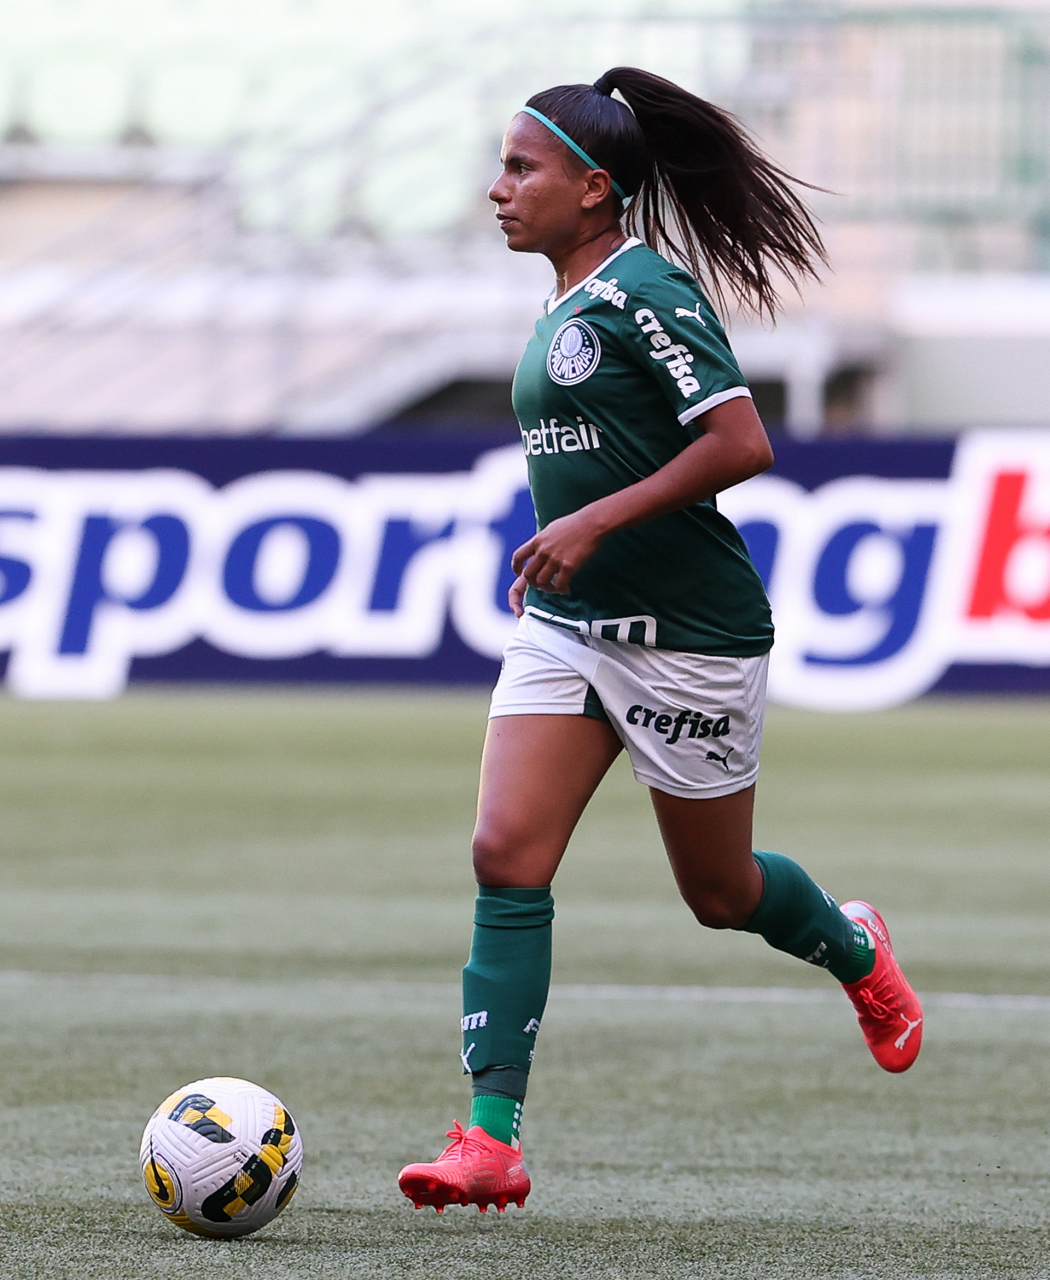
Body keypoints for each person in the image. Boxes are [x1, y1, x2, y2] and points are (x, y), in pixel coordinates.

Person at [397, 67, 923, 1215]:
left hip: (688, 636)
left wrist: (593, 520)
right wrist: (576, 547)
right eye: (500, 167)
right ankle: (490, 1138)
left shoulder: (646, 290)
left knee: (721, 892)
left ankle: (854, 947)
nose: (497, 189)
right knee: (505, 850)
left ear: (594, 188)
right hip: (569, 630)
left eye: (521, 168)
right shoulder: (561, 301)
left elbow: (741, 442)